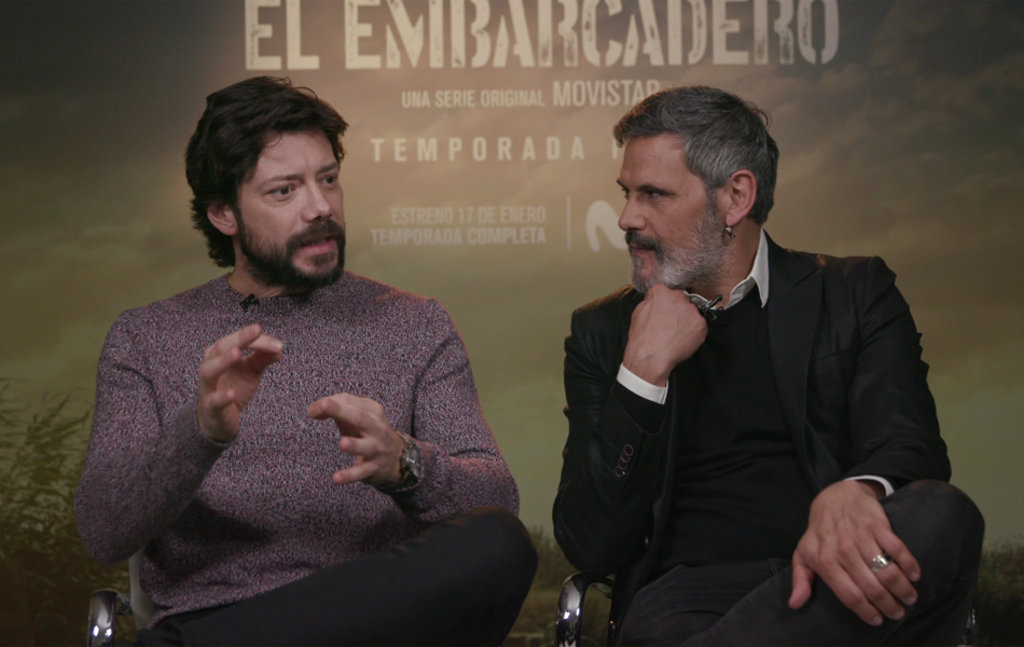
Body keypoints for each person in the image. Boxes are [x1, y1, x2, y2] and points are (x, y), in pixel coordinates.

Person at [75, 76, 536, 647]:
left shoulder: (415, 324)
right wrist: (200, 432)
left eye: (328, 179)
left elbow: (497, 503)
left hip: (379, 625)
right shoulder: (145, 337)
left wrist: (406, 464)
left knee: (499, 541)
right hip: (221, 617)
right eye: (284, 191)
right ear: (223, 214)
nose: (320, 207)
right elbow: (103, 531)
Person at [553, 86, 984, 646]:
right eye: (626, 193)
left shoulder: (853, 292)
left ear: (736, 197)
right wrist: (641, 375)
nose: (626, 218)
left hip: (838, 581)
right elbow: (591, 544)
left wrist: (860, 490)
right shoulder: (603, 331)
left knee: (943, 513)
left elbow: (910, 445)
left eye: (653, 194)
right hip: (688, 602)